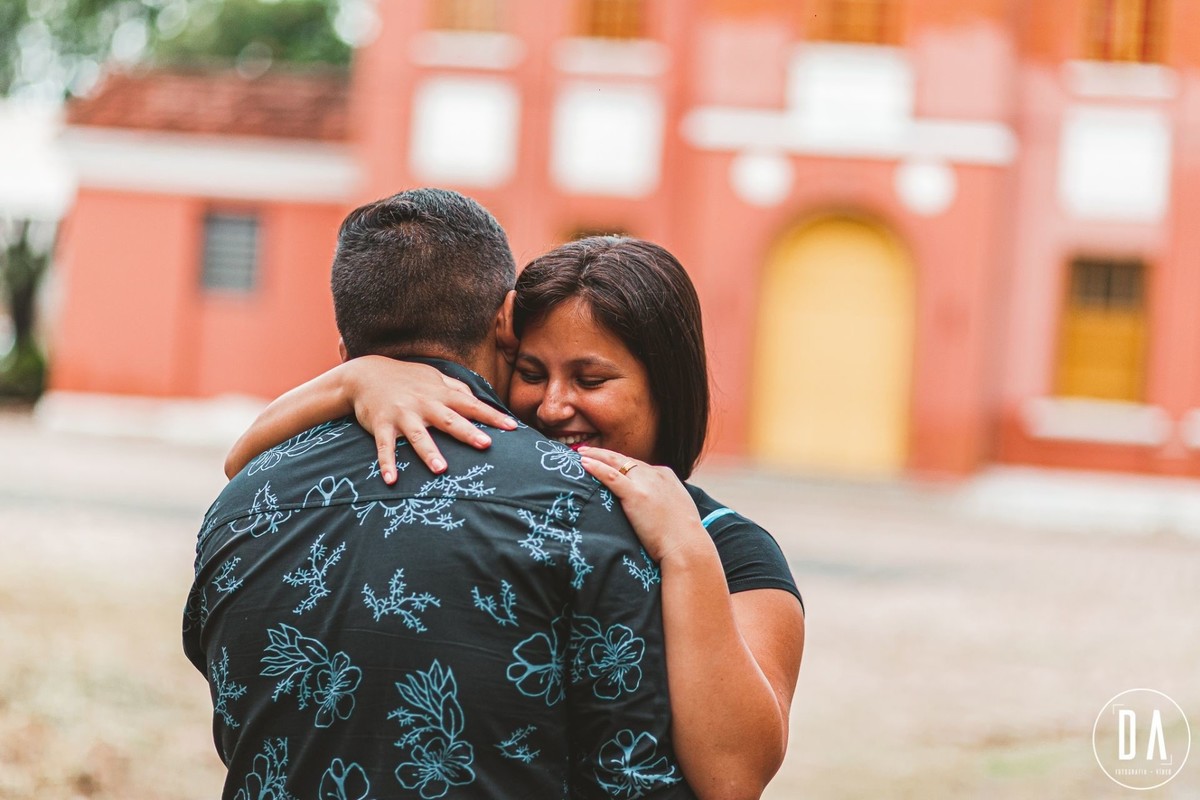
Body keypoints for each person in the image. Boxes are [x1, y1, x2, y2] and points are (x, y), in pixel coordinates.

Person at [226, 235, 806, 800]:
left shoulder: (734, 549)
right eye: (532, 373)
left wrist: (685, 551)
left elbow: (735, 778)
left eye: (591, 379)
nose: (553, 406)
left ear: (667, 387)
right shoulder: (491, 489)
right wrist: (359, 378)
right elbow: (239, 461)